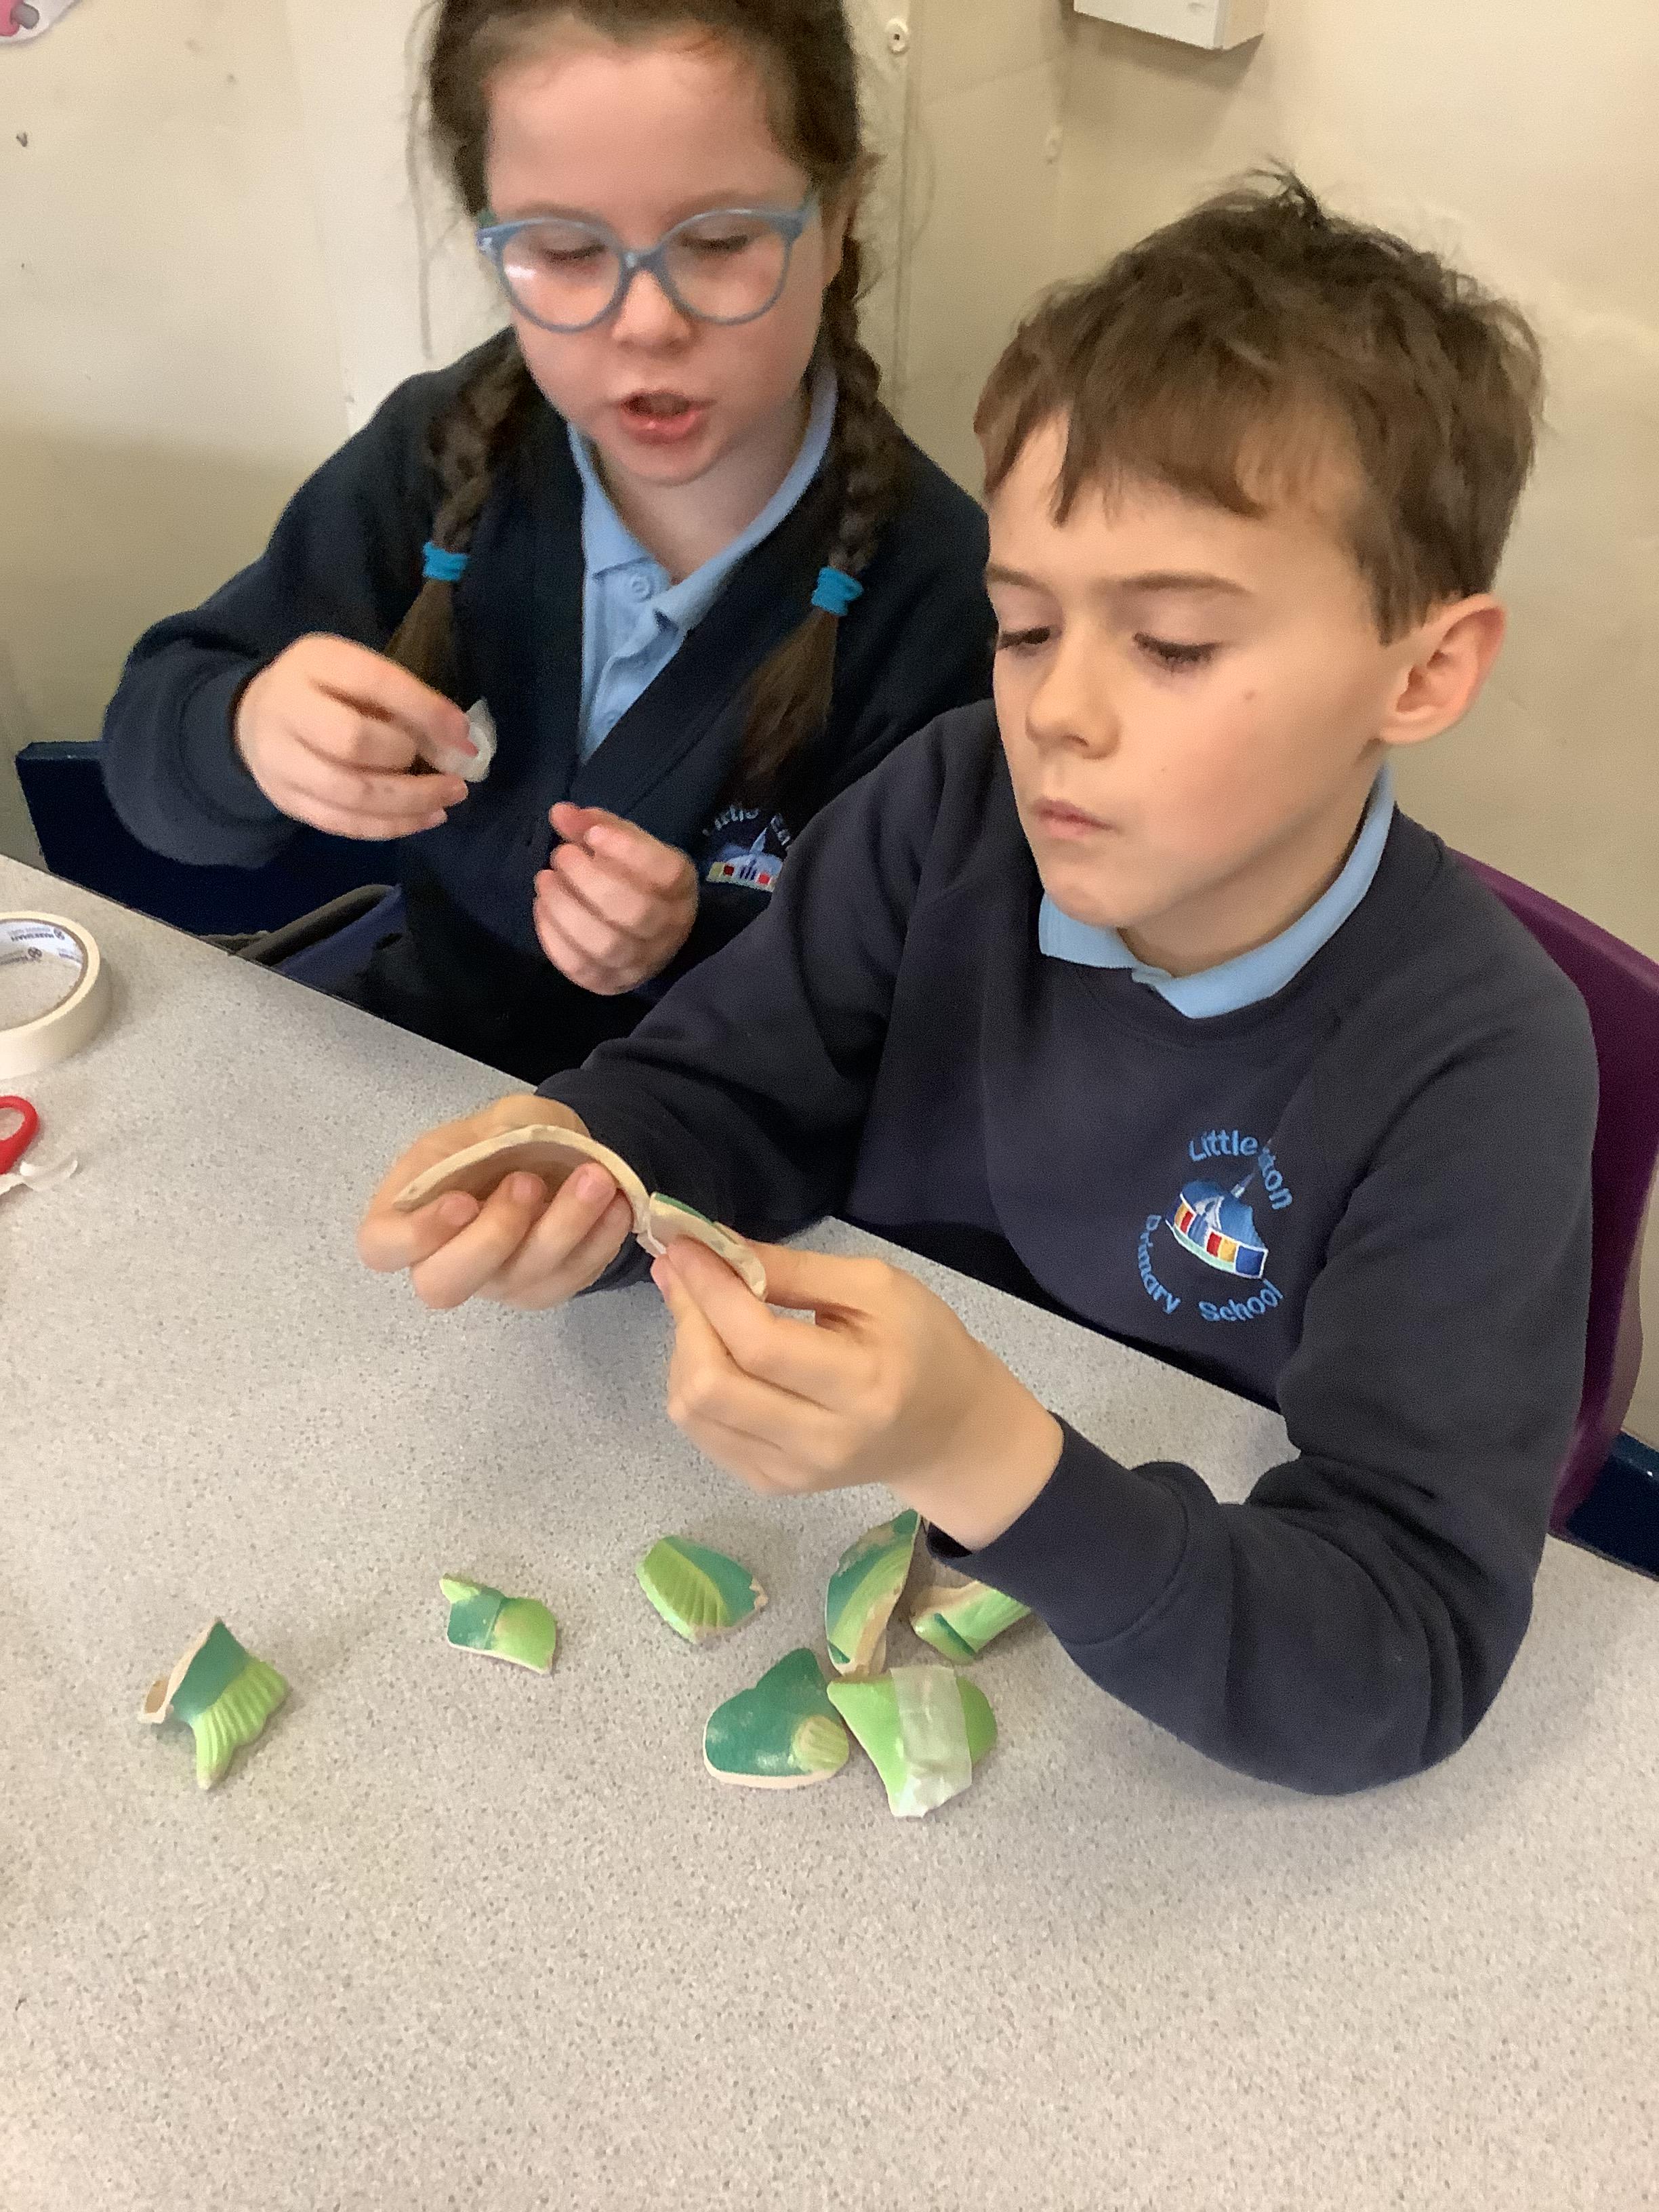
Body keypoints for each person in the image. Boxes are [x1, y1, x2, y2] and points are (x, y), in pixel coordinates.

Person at [357, 176, 1598, 1796]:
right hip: (865, 1531)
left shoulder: (1482, 1064)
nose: (1055, 714)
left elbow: (1399, 1645)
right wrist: (587, 1166)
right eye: (1021, 628)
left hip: (1150, 1650)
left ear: (1421, 671)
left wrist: (983, 1458)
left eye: (1172, 645)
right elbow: (727, 1089)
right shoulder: (951, 808)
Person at [100, 0, 993, 1080]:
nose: (647, 323)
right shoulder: (442, 452)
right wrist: (247, 734)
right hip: (415, 1074)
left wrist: (690, 944)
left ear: (839, 219)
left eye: (720, 242)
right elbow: (153, 753)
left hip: (712, 1137)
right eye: (565, 251)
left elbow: (922, 1007)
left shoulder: (940, 593)